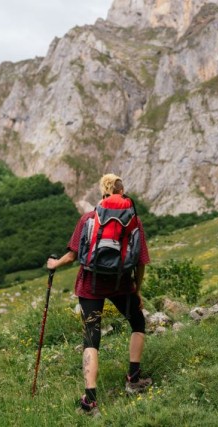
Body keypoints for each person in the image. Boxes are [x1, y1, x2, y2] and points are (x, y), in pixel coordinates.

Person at [47, 173, 152, 416]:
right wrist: (137, 289)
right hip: (122, 284)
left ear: (102, 194)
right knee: (137, 323)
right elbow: (141, 260)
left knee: (91, 338)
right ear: (122, 192)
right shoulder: (134, 221)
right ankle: (133, 381)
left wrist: (54, 264)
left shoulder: (88, 219)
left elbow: (73, 256)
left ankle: (90, 401)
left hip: (90, 285)